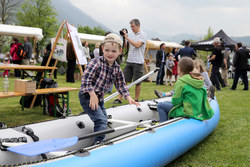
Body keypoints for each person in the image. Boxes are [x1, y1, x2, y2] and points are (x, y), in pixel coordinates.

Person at [79, 33, 140, 144]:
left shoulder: (116, 68)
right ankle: (97, 143)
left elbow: (120, 84)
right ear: (102, 49)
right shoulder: (95, 62)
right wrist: (92, 94)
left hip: (99, 98)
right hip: (88, 96)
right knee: (101, 120)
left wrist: (128, 97)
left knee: (104, 118)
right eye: (107, 50)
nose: (110, 54)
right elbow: (85, 79)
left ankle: (97, 132)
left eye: (114, 51)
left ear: (120, 51)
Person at [156, 57, 214, 122]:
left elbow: (175, 102)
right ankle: (172, 121)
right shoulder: (197, 78)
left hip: (189, 111)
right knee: (166, 103)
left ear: (180, 69)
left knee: (160, 105)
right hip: (197, 108)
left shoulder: (181, 81)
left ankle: (164, 126)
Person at [113, 18, 147, 104]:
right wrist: (124, 38)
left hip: (138, 61)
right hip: (129, 60)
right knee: (124, 80)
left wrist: (127, 37)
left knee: (137, 82)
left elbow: (137, 45)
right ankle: (119, 98)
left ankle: (135, 99)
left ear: (138, 25)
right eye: (130, 27)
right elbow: (126, 47)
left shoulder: (143, 34)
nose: (132, 28)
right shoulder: (131, 35)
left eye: (133, 26)